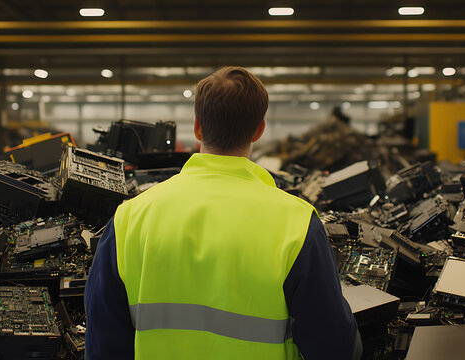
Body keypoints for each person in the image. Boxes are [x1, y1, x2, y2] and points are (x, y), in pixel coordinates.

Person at [85, 66, 361, 359]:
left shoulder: (130, 218)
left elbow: (104, 343)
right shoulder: (297, 222)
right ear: (259, 130)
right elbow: (334, 346)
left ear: (197, 127)